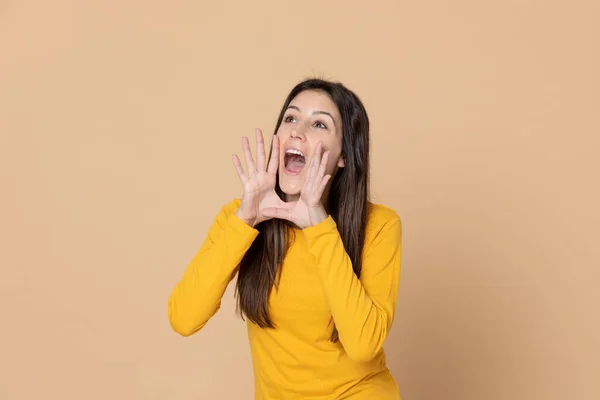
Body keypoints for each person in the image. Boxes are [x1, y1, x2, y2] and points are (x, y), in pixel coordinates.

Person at [168, 78, 403, 399]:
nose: (297, 130)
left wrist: (319, 226)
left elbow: (363, 345)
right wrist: (245, 221)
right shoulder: (239, 218)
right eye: (290, 118)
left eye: (319, 123)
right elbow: (184, 318)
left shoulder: (379, 225)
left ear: (343, 156)